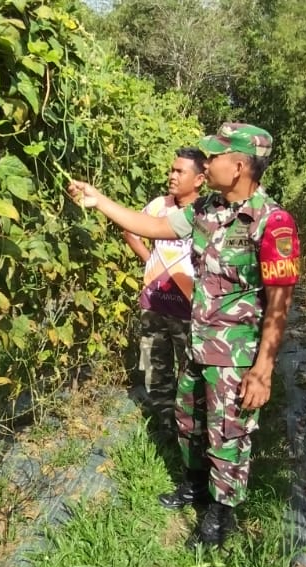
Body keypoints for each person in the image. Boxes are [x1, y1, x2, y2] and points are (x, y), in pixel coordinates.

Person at [67, 123, 300, 548]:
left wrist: (263, 369)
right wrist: (99, 200)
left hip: (235, 356)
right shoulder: (206, 210)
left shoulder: (273, 222)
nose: (206, 163)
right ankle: (194, 487)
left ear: (240, 166)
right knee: (189, 423)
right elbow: (150, 226)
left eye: (214, 157)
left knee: (228, 435)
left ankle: (219, 515)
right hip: (198, 344)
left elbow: (279, 303)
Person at [123, 147, 205, 434]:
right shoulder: (159, 205)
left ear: (199, 179)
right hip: (154, 302)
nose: (172, 175)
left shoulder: (205, 213)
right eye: (172, 169)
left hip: (189, 307)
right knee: (155, 368)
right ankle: (165, 426)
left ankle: (189, 429)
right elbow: (130, 230)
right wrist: (152, 263)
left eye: (180, 171)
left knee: (190, 371)